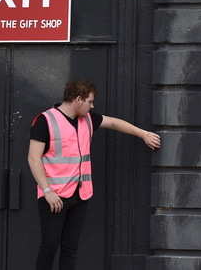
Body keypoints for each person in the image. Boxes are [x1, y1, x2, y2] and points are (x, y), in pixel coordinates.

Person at [27, 80, 161, 270]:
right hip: (53, 197)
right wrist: (47, 190)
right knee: (49, 246)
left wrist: (143, 134)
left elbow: (114, 122)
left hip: (80, 196)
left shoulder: (88, 119)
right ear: (78, 99)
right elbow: (33, 158)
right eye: (89, 102)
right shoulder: (45, 120)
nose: (92, 106)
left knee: (70, 248)